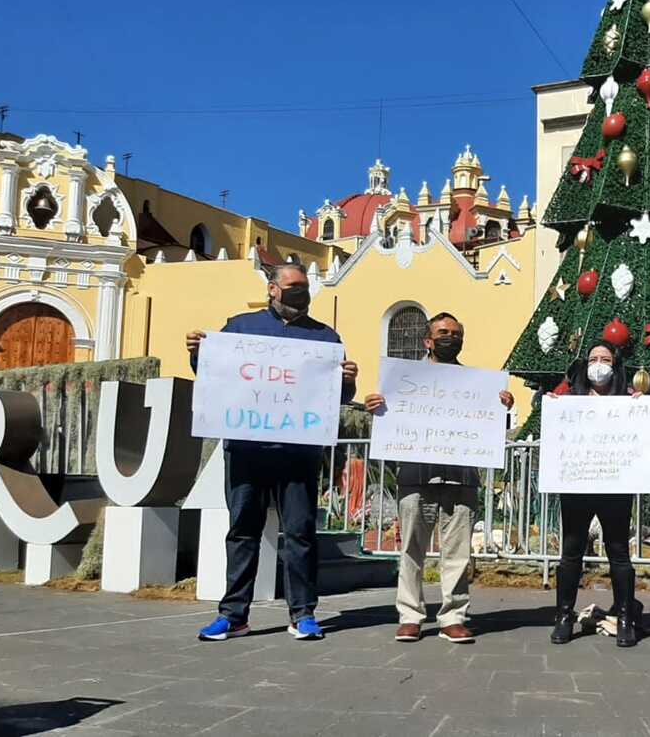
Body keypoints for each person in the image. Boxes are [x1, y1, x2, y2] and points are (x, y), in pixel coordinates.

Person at [188, 263, 359, 641]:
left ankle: (303, 614)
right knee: (242, 532)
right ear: (272, 289)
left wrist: (348, 382)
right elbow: (215, 375)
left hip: (298, 454)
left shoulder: (327, 337)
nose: (301, 292)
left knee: (300, 533)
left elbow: (337, 400)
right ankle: (233, 616)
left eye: (305, 287)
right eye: (293, 286)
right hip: (247, 450)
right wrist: (199, 354)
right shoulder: (239, 328)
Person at [365, 312, 514, 644]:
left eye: (456, 334)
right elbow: (388, 422)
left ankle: (453, 616)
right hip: (416, 478)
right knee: (411, 551)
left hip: (461, 480)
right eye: (443, 332)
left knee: (458, 553)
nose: (451, 337)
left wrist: (501, 408)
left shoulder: (477, 386)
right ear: (428, 341)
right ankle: (410, 615)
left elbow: (492, 430)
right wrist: (374, 406)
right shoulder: (401, 382)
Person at [546, 341, 642, 647]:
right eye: (593, 359)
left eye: (605, 359)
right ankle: (564, 616)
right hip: (577, 486)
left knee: (618, 551)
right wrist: (551, 405)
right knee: (571, 551)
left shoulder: (628, 399)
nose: (598, 364)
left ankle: (625, 617)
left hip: (615, 486)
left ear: (615, 366)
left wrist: (642, 408)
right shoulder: (569, 399)